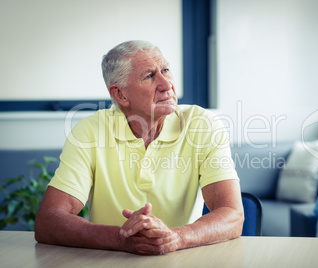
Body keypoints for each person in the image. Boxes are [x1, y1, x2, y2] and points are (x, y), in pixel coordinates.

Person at [35, 40, 244, 255]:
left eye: (165, 70)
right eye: (149, 76)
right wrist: (121, 238)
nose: (167, 84)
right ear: (120, 95)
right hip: (108, 260)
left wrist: (175, 237)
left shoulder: (203, 125)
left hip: (182, 257)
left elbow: (232, 214)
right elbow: (48, 221)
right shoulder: (90, 131)